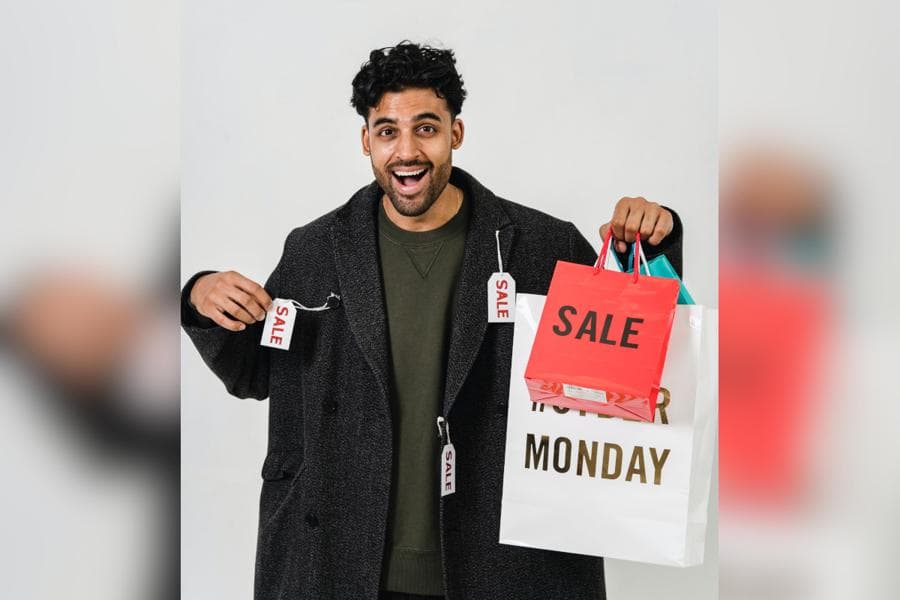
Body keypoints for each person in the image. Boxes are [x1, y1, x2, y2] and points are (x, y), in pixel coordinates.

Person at [181, 41, 683, 600]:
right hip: (342, 561)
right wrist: (198, 295)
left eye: (426, 128)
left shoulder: (542, 246)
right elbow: (252, 374)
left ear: (455, 133)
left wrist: (654, 240)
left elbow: (631, 364)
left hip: (502, 565)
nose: (406, 152)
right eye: (388, 130)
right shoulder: (316, 249)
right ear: (366, 140)